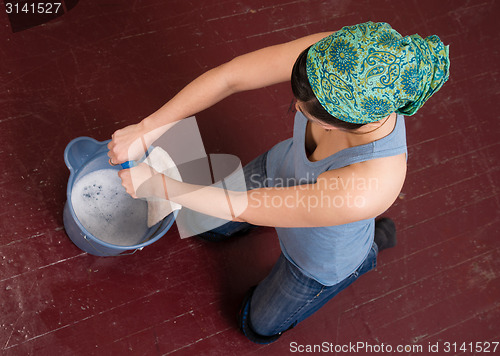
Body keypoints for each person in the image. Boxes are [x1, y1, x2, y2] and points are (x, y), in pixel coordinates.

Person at [107, 21, 450, 344]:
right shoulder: (339, 58)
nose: (297, 110)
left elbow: (244, 208)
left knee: (255, 325)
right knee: (204, 224)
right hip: (279, 170)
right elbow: (230, 78)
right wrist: (146, 129)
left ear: (347, 123)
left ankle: (367, 251)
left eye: (307, 114)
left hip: (316, 255)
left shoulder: (371, 185)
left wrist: (159, 186)